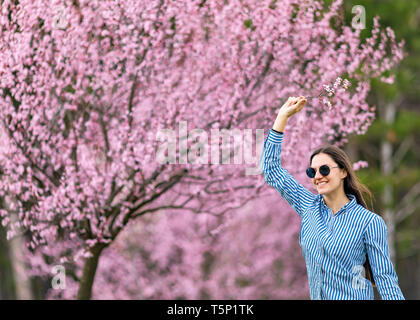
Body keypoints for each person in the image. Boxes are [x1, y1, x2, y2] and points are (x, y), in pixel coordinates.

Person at [260, 96, 405, 300]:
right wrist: (281, 118)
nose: (318, 176)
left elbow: (385, 280)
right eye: (312, 172)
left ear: (343, 172)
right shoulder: (308, 207)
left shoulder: (370, 223)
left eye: (325, 169)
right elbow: (271, 170)